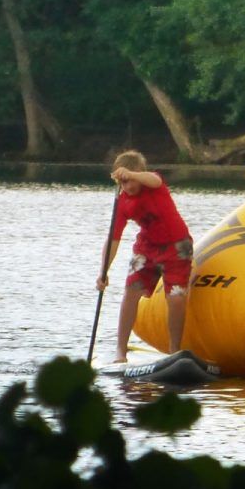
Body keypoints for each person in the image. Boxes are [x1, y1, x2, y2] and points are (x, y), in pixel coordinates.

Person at [95, 150, 193, 364]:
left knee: (176, 298)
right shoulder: (121, 202)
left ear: (139, 173)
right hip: (147, 249)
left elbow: (154, 180)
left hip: (177, 246)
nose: (128, 186)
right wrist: (103, 271)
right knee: (131, 292)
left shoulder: (153, 183)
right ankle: (120, 352)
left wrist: (132, 173)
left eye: (130, 179)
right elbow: (113, 240)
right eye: (123, 182)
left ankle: (174, 350)